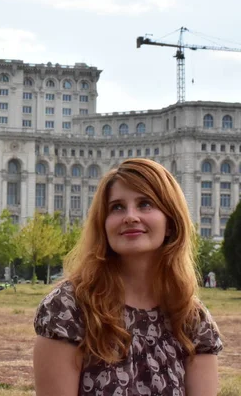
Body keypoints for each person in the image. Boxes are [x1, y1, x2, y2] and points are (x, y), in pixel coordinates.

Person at [33, 158, 222, 396]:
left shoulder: (191, 319)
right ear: (103, 224)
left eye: (145, 204)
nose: (130, 216)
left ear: (171, 223)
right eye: (117, 207)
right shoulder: (68, 310)